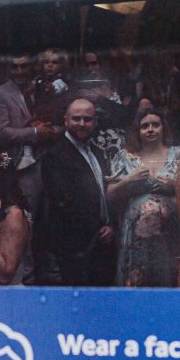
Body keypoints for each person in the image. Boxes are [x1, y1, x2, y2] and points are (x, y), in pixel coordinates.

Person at [40, 98, 115, 286]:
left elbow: (104, 193)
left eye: (87, 119)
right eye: (76, 119)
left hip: (101, 247)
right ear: (66, 120)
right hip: (74, 249)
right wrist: (99, 228)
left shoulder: (97, 152)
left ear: (95, 122)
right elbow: (64, 204)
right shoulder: (55, 155)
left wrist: (111, 224)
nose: (82, 124)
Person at [106, 108, 180, 287]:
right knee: (136, 283)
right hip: (135, 236)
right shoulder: (125, 157)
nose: (150, 129)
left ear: (163, 128)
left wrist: (173, 186)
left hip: (169, 233)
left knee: (167, 284)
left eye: (155, 125)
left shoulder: (179, 154)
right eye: (145, 126)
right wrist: (129, 180)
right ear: (137, 131)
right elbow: (110, 194)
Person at [0, 53, 58, 217]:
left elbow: (60, 119)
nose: (19, 71)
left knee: (49, 215)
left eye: (23, 66)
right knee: (28, 215)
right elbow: (2, 133)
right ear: (8, 69)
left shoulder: (43, 88)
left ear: (32, 67)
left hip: (49, 160)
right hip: (22, 167)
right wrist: (35, 132)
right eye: (15, 67)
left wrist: (51, 131)